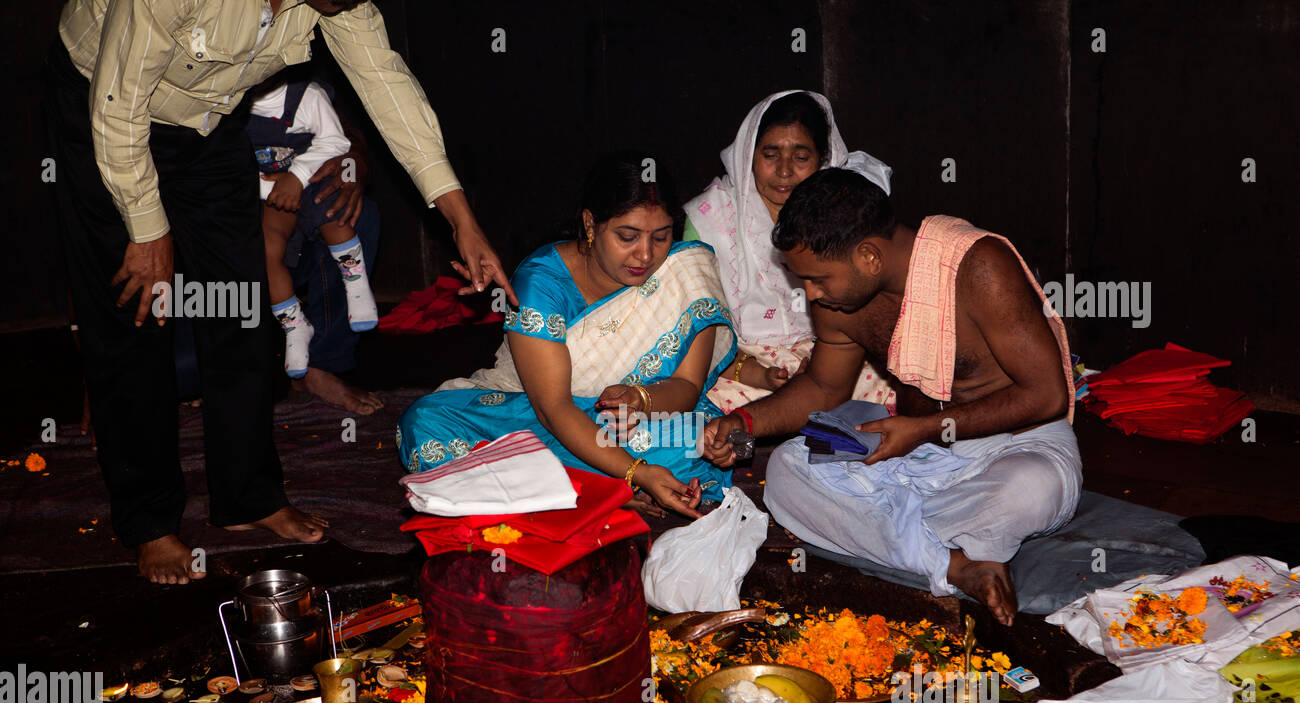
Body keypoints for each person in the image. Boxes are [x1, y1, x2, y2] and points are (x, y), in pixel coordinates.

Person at [48, 0, 514, 584]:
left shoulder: (340, 1)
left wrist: (461, 219)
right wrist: (148, 231)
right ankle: (149, 522)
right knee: (137, 308)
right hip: (106, 104)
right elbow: (117, 109)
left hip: (212, 121)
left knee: (243, 307)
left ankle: (247, 496)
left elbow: (387, 84)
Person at [701, 169, 1080, 625]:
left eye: (818, 279)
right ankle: (958, 561)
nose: (810, 294)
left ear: (869, 257)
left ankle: (910, 537)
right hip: (911, 452)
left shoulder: (978, 266)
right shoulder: (836, 302)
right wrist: (745, 423)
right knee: (787, 469)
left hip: (1015, 447)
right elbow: (823, 388)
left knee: (1029, 492)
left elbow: (1047, 396)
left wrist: (922, 428)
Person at [399, 152, 738, 519]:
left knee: (692, 441)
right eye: (627, 236)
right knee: (424, 423)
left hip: (633, 423)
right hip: (539, 413)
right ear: (591, 225)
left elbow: (686, 385)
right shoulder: (542, 282)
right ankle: (603, 487)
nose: (645, 254)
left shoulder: (685, 272)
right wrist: (634, 472)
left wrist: (640, 398)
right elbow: (553, 409)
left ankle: (564, 485)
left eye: (661, 237)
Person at [684, 91, 895, 414]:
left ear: (823, 159)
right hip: (739, 361)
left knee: (889, 385)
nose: (784, 171)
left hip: (835, 349)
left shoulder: (847, 212)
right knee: (702, 400)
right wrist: (756, 372)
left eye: (800, 157)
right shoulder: (709, 218)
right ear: (748, 156)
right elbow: (697, 318)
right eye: (770, 155)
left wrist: (825, 360)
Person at [248, 78, 379, 380]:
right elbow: (221, 163)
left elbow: (339, 142)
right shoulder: (225, 98)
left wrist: (297, 176)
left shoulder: (306, 95)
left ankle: (356, 289)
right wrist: (265, 188)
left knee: (338, 214)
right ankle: (294, 325)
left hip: (314, 177)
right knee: (266, 249)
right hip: (265, 193)